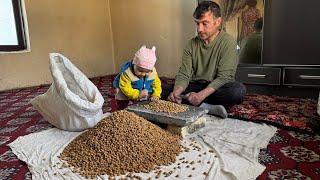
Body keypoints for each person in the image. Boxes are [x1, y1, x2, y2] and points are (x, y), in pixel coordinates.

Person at [163, 1, 246, 118]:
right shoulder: (191, 44)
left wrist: (200, 96)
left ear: (218, 22)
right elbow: (184, 74)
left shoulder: (229, 43)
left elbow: (225, 77)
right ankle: (205, 106)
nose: (199, 29)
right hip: (196, 85)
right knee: (163, 89)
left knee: (237, 91)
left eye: (204, 24)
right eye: (197, 24)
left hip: (217, 88)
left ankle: (197, 103)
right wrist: (176, 92)